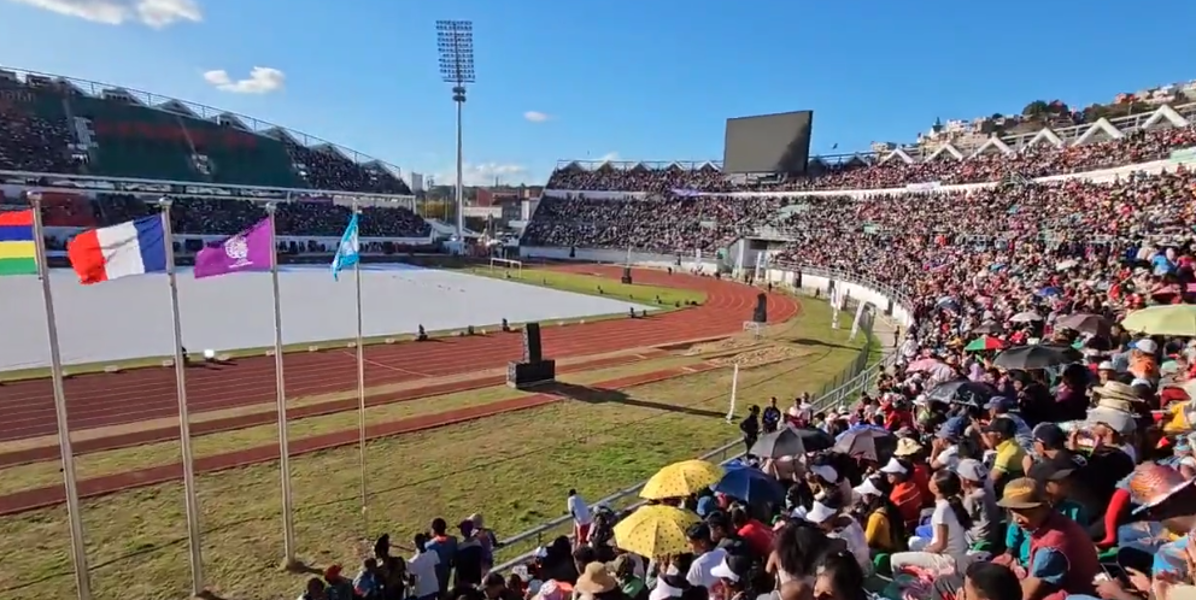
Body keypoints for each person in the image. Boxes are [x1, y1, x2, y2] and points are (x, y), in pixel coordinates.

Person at [994, 477, 1100, 600]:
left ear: (1044, 506)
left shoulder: (1051, 548)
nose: (1018, 519)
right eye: (1012, 511)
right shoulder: (1054, 522)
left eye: (1026, 512)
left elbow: (1027, 595)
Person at [890, 469, 973, 573]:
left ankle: (903, 585)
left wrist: (926, 550)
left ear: (936, 488)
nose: (929, 480)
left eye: (931, 479)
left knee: (894, 559)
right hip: (957, 551)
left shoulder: (942, 509)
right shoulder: (952, 502)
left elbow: (941, 544)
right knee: (912, 541)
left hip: (948, 559)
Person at [957, 459, 1001, 552]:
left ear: (967, 481)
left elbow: (962, 519)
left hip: (977, 538)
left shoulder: (973, 498)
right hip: (992, 533)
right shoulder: (988, 490)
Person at [852, 476, 905, 553]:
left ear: (871, 496)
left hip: (886, 551)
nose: (862, 497)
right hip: (895, 547)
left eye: (864, 494)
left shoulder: (876, 517)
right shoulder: (890, 508)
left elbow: (866, 542)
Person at [686, 522, 727, 590]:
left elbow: (689, 590)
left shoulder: (698, 565)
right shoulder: (724, 553)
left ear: (702, 542)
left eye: (690, 542)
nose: (689, 546)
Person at [409, 533, 441, 600]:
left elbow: (411, 582)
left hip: (422, 592)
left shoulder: (412, 561)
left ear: (416, 544)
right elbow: (437, 569)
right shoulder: (433, 553)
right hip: (434, 588)